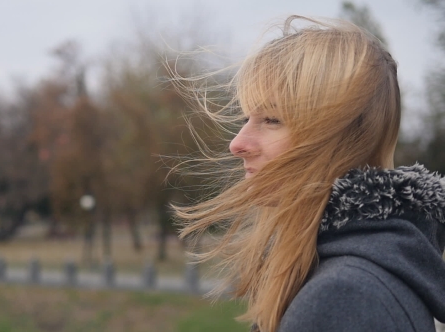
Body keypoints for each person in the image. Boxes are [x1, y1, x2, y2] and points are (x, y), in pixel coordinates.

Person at [176, 16, 445, 332]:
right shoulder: (365, 273)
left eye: (272, 119)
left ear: (342, 136)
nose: (238, 144)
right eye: (248, 118)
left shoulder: (342, 299)